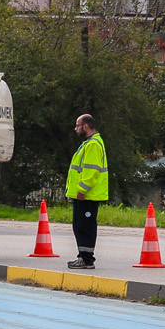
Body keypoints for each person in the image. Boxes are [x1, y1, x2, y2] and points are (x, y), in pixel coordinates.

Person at [65, 113, 107, 269]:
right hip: (84, 195)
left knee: (85, 227)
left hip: (87, 195)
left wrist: (82, 189)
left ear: (86, 126)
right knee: (79, 226)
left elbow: (92, 171)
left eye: (77, 125)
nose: (75, 129)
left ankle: (87, 260)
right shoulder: (88, 143)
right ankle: (82, 256)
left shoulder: (93, 144)